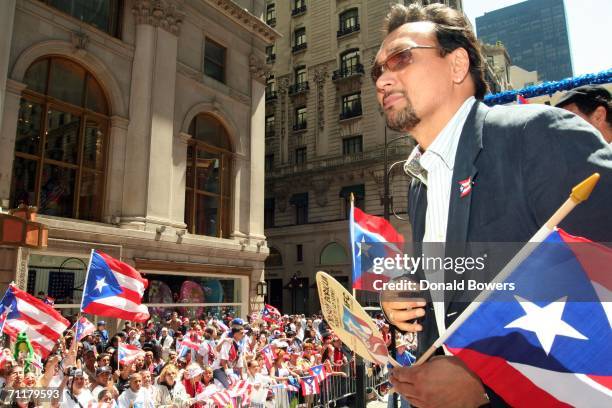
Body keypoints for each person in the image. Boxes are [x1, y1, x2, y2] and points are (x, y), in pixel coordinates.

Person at [373, 3, 612, 407]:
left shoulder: (537, 134)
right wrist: (404, 290)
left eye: (401, 58)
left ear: (456, 64)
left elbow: (599, 285)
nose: (383, 79)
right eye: (376, 70)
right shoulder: (419, 183)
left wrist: (485, 378)